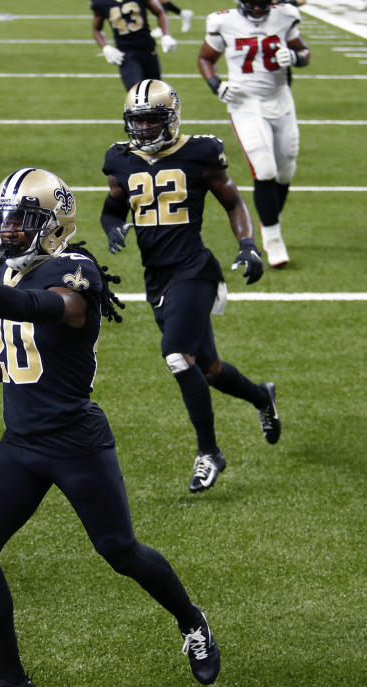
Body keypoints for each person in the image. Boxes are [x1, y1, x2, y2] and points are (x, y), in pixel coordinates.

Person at [0, 168, 222, 687]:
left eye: (22, 220)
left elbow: (42, 311)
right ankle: (12, 684)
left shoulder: (78, 271)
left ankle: (192, 622)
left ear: (55, 223)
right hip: (21, 442)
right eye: (5, 220)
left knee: (120, 550)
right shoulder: (12, 270)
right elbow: (27, 354)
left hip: (74, 441)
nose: (10, 231)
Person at [100, 80, 281, 493]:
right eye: (137, 120)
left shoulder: (199, 153)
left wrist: (248, 245)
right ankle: (261, 397)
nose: (143, 128)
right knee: (210, 369)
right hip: (157, 278)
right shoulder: (120, 159)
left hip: (194, 269)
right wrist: (113, 229)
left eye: (151, 119)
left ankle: (209, 452)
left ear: (172, 117)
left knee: (177, 356)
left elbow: (233, 202)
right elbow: (111, 209)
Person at [198, 0, 310, 269]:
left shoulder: (285, 16)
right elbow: (206, 58)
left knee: (286, 170)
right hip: (244, 102)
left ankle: (268, 219)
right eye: (253, 3)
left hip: (280, 100)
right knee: (265, 168)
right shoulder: (223, 21)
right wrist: (216, 85)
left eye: (263, 3)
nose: (258, 9)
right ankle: (273, 238)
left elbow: (304, 52)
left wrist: (294, 57)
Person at [92, 0, 178, 89]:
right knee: (136, 92)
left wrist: (166, 35)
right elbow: (97, 29)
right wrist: (105, 47)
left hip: (148, 49)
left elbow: (160, 12)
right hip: (126, 54)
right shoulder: (101, 2)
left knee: (155, 93)